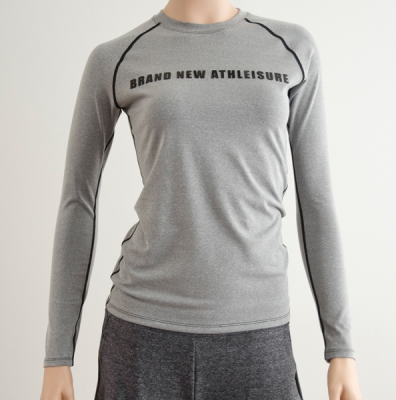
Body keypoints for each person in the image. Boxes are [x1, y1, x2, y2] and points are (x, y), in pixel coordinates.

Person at [40, 1, 363, 399]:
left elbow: (316, 201)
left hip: (257, 337)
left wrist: (340, 346)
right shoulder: (117, 57)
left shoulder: (292, 48)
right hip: (143, 337)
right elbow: (78, 202)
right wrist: (58, 354)